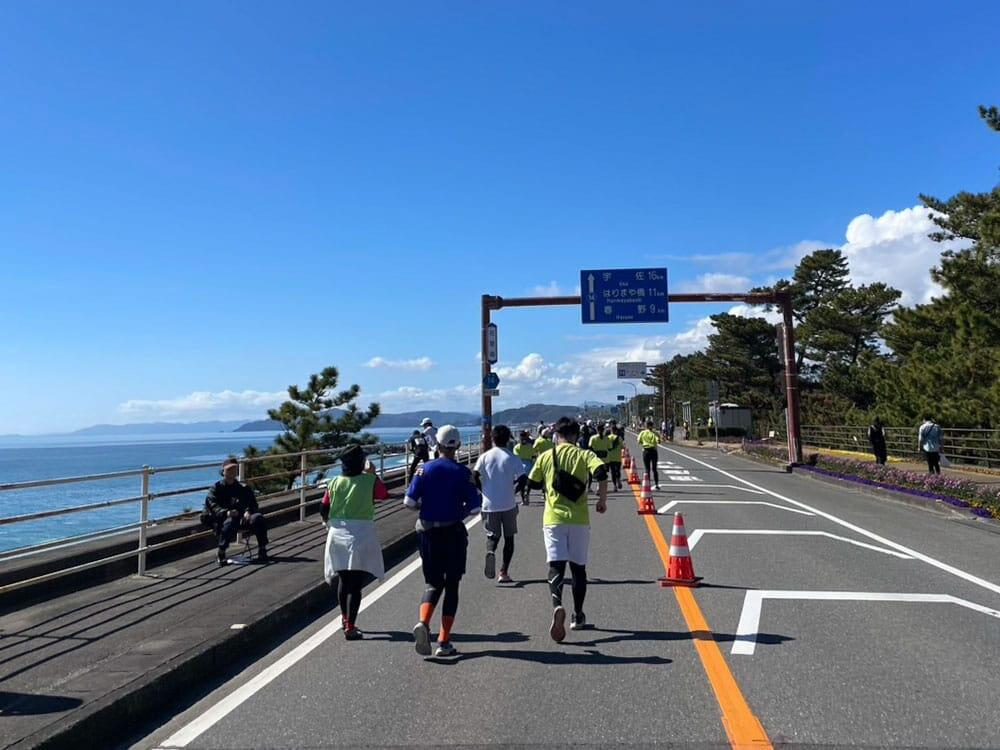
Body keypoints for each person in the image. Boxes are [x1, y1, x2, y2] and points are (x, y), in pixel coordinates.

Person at [528, 417, 608, 640]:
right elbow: (601, 473)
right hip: (579, 519)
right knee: (578, 569)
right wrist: (602, 500)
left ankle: (557, 605)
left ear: (556, 435)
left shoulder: (545, 456)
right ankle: (578, 615)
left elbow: (532, 483)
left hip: (553, 519)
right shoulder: (584, 454)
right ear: (576, 435)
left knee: (556, 567)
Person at [405, 425, 481, 657]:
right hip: (453, 533)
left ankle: (423, 622)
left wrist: (426, 505)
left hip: (427, 532)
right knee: (453, 584)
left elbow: (409, 502)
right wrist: (458, 510)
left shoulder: (423, 469)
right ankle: (443, 641)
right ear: (457, 446)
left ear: (436, 445)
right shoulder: (463, 472)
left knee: (433, 583)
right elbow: (476, 507)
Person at [320, 445, 390, 640]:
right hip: (361, 535)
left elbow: (323, 508)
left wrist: (327, 522)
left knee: (343, 579)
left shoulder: (333, 482)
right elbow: (383, 495)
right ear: (361, 462)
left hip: (336, 535)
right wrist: (373, 473)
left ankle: (344, 619)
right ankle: (350, 625)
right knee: (355, 583)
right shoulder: (370, 481)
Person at [473, 425, 527, 583]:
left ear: (493, 439)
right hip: (508, 503)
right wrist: (515, 490)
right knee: (509, 539)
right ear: (508, 438)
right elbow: (523, 479)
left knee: (493, 535)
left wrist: (482, 490)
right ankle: (503, 572)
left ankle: (490, 550)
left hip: (489, 504)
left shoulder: (485, 457)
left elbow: (474, 475)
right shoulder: (513, 458)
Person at [203, 457, 269, 565]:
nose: (232, 472)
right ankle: (222, 551)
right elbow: (212, 504)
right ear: (223, 472)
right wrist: (226, 512)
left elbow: (253, 503)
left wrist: (249, 511)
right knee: (230, 521)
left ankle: (262, 549)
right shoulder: (216, 488)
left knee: (258, 518)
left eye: (234, 469)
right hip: (223, 519)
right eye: (229, 469)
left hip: (242, 517)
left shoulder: (243, 488)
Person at [512, 430, 536, 505]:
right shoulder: (530, 446)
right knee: (526, 484)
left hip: (520, 467)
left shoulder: (517, 447)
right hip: (530, 466)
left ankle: (515, 495)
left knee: (521, 484)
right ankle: (525, 498)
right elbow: (533, 456)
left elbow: (515, 458)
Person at [587, 423, 611, 492]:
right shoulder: (607, 438)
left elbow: (590, 447)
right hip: (605, 459)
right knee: (604, 475)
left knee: (594, 474)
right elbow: (609, 447)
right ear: (603, 430)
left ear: (597, 430)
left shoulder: (593, 438)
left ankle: (594, 488)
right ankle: (600, 488)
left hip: (596, 459)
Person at [637, 420, 661, 490]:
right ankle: (656, 484)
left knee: (647, 469)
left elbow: (639, 441)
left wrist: (644, 442)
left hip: (646, 451)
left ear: (646, 426)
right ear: (652, 426)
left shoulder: (642, 433)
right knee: (654, 469)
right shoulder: (655, 433)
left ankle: (648, 484)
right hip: (653, 451)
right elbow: (658, 441)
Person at [605, 421, 624, 491]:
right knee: (618, 470)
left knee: (612, 472)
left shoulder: (607, 438)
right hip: (618, 457)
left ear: (611, 431)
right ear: (616, 431)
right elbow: (622, 447)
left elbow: (606, 447)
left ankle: (614, 485)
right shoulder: (619, 438)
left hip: (610, 458)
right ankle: (618, 479)